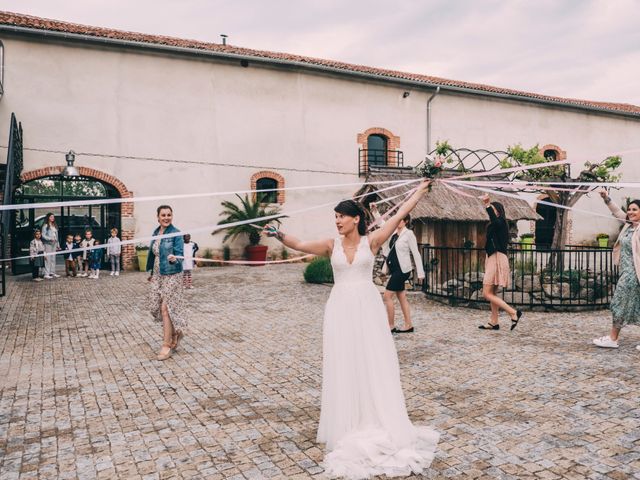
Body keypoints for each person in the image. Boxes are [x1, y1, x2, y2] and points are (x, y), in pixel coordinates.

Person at [264, 180, 439, 479]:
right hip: (340, 308)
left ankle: (374, 413)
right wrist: (278, 234)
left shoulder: (370, 241)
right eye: (335, 217)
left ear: (355, 218)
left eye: (341, 217)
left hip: (367, 307)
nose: (337, 221)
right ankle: (348, 420)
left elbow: (399, 214)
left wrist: (422, 190)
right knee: (344, 360)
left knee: (371, 358)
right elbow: (300, 244)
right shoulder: (330, 245)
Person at [592, 190, 640, 350]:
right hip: (626, 272)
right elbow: (616, 211)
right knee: (633, 304)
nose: (630, 212)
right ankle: (613, 338)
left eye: (635, 209)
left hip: (634, 274)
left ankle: (613, 338)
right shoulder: (628, 225)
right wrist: (606, 198)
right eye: (630, 209)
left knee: (618, 302)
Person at [146, 205, 186, 361]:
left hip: (171, 272)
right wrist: (151, 273)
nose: (166, 217)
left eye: (169, 215)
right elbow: (154, 254)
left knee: (165, 308)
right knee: (154, 306)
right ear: (158, 217)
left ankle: (166, 345)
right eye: (163, 215)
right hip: (157, 273)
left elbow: (180, 254)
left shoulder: (176, 233)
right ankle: (176, 332)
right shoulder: (156, 233)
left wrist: (176, 258)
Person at [478, 194, 522, 331]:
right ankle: (494, 322)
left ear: (498, 211)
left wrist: (487, 204)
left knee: (486, 293)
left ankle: (513, 312)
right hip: (493, 257)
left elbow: (495, 222)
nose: (490, 211)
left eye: (492, 209)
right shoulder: (496, 224)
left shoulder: (501, 222)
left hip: (497, 258)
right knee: (492, 292)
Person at [381, 214, 425, 333]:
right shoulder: (394, 233)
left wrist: (421, 273)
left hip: (402, 270)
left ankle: (390, 326)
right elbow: (383, 225)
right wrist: (375, 212)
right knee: (402, 297)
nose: (398, 222)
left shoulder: (409, 234)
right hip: (395, 269)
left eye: (401, 220)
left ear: (405, 222)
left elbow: (416, 253)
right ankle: (408, 325)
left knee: (387, 296)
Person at [41, 212, 60, 279]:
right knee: (48, 259)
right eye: (51, 217)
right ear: (48, 218)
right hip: (48, 244)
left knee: (53, 258)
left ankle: (52, 272)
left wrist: (58, 244)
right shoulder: (45, 226)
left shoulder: (54, 225)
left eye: (53, 217)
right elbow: (43, 235)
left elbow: (57, 236)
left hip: (54, 244)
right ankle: (46, 273)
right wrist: (50, 239)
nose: (52, 218)